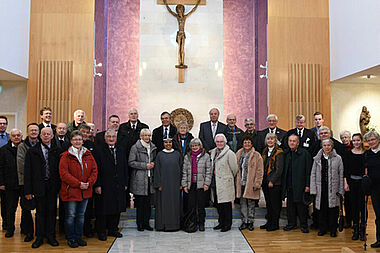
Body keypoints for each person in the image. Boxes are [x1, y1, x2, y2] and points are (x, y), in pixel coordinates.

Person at [59, 130, 98, 248]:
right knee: (71, 216)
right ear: (71, 141)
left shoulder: (88, 154)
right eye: (75, 139)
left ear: (83, 140)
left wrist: (88, 183)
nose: (78, 141)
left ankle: (78, 236)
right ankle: (71, 238)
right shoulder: (65, 156)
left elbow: (94, 171)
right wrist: (78, 184)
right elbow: (64, 174)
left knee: (81, 216)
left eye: (79, 139)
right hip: (71, 191)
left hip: (85, 190)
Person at [24, 127, 61, 248]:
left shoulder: (57, 150)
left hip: (52, 186)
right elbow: (28, 172)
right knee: (39, 213)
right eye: (44, 134)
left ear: (52, 136)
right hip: (38, 186)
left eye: (48, 134)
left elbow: (59, 171)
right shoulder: (32, 151)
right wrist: (28, 190)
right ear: (40, 136)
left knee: (51, 212)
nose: (46, 136)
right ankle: (39, 237)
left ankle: (51, 236)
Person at [94, 129, 128, 241]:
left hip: (118, 184)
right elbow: (96, 169)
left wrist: (125, 183)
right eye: (109, 137)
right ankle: (101, 231)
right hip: (104, 184)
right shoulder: (98, 150)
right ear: (105, 138)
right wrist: (97, 185)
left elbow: (124, 167)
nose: (111, 139)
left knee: (116, 208)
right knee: (103, 209)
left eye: (113, 137)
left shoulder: (121, 149)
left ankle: (113, 229)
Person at [310, 139, 344, 237]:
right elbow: (313, 174)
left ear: (332, 146)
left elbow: (341, 174)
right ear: (322, 146)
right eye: (324, 145)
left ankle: (333, 230)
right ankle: (323, 229)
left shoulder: (338, 158)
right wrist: (313, 189)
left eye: (329, 145)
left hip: (333, 188)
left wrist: (341, 190)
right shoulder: (317, 158)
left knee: (333, 210)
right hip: (320, 188)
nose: (327, 147)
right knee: (321, 209)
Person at [282, 135, 312, 233]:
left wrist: (308, 185)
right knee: (290, 206)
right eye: (290, 141)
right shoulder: (286, 153)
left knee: (301, 206)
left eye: (294, 141)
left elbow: (308, 171)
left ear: (298, 143)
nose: (292, 143)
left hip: (301, 185)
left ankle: (304, 225)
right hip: (289, 184)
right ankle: (291, 224)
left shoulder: (305, 154)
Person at [128, 128, 156, 231]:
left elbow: (154, 159)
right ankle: (140, 223)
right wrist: (145, 165)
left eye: (149, 135)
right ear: (141, 136)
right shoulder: (135, 147)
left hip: (150, 178)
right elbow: (131, 162)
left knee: (148, 203)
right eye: (145, 135)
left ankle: (146, 223)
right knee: (140, 203)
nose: (147, 138)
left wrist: (153, 164)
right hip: (139, 179)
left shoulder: (153, 147)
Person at [16, 123, 40, 242]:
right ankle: (29, 232)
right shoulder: (22, 146)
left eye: (36, 130)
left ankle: (40, 232)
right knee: (26, 209)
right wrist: (35, 172)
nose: (34, 132)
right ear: (28, 132)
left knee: (40, 208)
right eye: (32, 130)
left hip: (40, 182)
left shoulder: (42, 145)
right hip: (25, 181)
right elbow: (21, 165)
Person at [182, 138, 211, 231]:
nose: (194, 147)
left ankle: (201, 223)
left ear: (200, 146)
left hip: (201, 185)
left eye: (196, 145)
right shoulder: (187, 157)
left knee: (201, 205)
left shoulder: (206, 156)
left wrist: (207, 183)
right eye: (193, 146)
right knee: (191, 205)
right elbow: (184, 172)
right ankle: (192, 223)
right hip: (191, 184)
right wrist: (185, 185)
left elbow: (208, 171)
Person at [210, 134, 238, 232]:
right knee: (218, 204)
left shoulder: (230, 153)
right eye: (217, 142)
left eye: (221, 142)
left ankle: (227, 224)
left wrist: (227, 177)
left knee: (226, 205)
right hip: (216, 183)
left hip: (226, 182)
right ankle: (221, 222)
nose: (219, 143)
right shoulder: (213, 152)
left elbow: (235, 169)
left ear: (225, 142)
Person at [235, 135, 264, 231]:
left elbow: (260, 170)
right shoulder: (238, 153)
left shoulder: (257, 155)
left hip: (251, 183)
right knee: (242, 203)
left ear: (252, 144)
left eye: (249, 142)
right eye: (245, 142)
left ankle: (250, 221)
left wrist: (257, 183)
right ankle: (244, 221)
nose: (247, 144)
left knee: (251, 203)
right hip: (241, 183)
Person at [154, 138, 182, 231]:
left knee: (174, 205)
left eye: (170, 142)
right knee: (163, 205)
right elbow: (157, 170)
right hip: (164, 185)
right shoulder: (160, 155)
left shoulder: (177, 154)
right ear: (163, 144)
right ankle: (163, 226)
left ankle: (174, 225)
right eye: (166, 142)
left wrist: (181, 183)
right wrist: (158, 184)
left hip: (175, 184)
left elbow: (181, 169)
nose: (168, 144)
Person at [0, 129, 23, 238]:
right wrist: (1, 183)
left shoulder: (26, 148)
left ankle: (25, 229)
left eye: (18, 135)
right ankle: (10, 229)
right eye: (14, 136)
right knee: (10, 208)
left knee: (26, 208)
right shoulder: (3, 150)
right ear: (10, 137)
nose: (16, 137)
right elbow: (0, 168)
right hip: (10, 184)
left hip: (23, 184)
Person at [344, 133, 366, 240]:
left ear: (361, 141)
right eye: (354, 141)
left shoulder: (366, 154)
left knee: (363, 207)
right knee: (354, 206)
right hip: (352, 182)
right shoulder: (349, 154)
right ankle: (355, 229)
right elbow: (346, 170)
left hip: (363, 183)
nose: (356, 142)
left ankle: (363, 229)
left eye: (358, 140)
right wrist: (346, 183)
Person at [260, 133, 284, 231]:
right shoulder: (265, 151)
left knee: (275, 204)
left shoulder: (279, 152)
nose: (270, 141)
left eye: (272, 139)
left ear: (275, 140)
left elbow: (279, 170)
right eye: (268, 139)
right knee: (268, 204)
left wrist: (272, 181)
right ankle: (269, 222)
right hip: (265, 181)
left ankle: (275, 224)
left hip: (274, 183)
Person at [364, 131, 380, 248]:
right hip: (375, 188)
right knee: (378, 215)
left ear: (378, 139)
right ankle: (379, 239)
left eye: (373, 139)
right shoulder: (367, 154)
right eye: (369, 140)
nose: (371, 142)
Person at [0, 116, 9, 230]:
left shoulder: (10, 138)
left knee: (5, 201)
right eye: (0, 123)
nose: (2, 125)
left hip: (4, 173)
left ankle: (6, 222)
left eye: (4, 123)